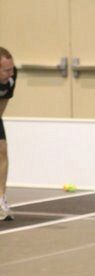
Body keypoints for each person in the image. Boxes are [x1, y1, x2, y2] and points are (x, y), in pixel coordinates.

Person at [0, 46, 17, 221]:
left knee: (2, 149)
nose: (11, 73)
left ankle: (0, 200)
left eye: (11, 68)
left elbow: (3, 101)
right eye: (6, 70)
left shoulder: (12, 78)